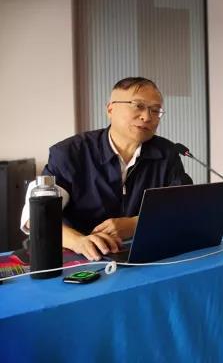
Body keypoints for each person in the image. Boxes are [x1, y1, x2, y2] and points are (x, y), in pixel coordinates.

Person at [20, 77, 193, 260]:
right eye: (138, 106)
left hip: (141, 252)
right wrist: (78, 241)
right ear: (110, 109)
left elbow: (184, 208)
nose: (147, 117)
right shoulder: (70, 153)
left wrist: (135, 224)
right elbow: (35, 218)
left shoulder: (166, 153)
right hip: (78, 257)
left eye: (155, 110)